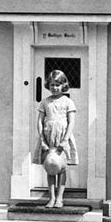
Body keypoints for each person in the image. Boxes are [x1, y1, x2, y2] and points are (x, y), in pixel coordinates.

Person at [36, 69, 78, 208]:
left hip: (62, 138)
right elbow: (40, 122)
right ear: (48, 85)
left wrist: (65, 140)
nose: (55, 88)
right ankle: (51, 198)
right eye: (52, 85)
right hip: (49, 138)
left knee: (62, 167)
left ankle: (60, 198)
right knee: (51, 166)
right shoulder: (45, 102)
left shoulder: (68, 102)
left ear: (63, 85)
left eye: (58, 85)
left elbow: (71, 122)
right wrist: (42, 140)